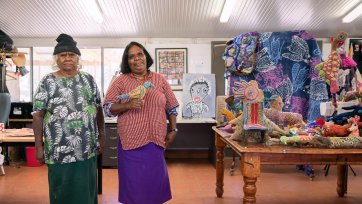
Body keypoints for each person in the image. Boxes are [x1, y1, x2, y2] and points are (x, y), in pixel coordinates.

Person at [32, 33, 105, 204]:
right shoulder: (47, 81)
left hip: (86, 148)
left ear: (77, 58)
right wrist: (38, 147)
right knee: (61, 191)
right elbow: (38, 115)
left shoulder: (88, 79)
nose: (67, 59)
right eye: (62, 55)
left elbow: (98, 108)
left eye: (71, 55)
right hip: (58, 149)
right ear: (56, 59)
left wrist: (102, 135)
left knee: (86, 190)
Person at [103, 41, 179, 204]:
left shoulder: (159, 79)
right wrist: (128, 105)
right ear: (126, 61)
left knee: (155, 187)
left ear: (146, 56)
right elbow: (108, 108)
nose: (136, 59)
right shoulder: (120, 81)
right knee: (134, 190)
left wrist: (173, 130)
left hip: (156, 142)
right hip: (131, 144)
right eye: (131, 56)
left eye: (140, 54)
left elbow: (172, 107)